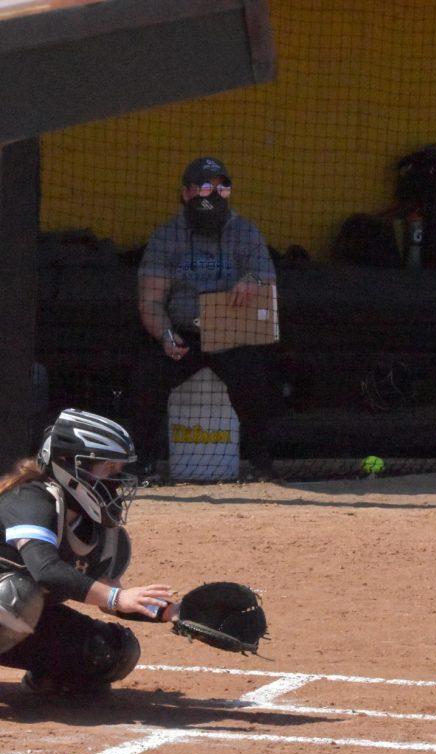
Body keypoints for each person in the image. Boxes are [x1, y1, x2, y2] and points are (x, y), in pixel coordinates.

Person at [0, 409, 179, 696]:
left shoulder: (99, 529)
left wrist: (175, 613)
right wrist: (117, 597)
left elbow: (112, 599)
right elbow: (46, 570)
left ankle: (47, 679)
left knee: (111, 652)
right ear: (68, 464)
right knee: (13, 596)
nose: (116, 483)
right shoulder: (30, 498)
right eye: (108, 470)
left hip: (18, 622)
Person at [129, 156, 281, 481]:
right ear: (186, 193)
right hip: (182, 333)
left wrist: (252, 282)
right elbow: (151, 301)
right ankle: (142, 464)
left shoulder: (244, 232)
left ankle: (262, 466)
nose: (214, 195)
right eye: (205, 187)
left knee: (254, 376)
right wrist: (166, 335)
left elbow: (267, 277)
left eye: (222, 187)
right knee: (147, 375)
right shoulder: (166, 237)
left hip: (229, 333)